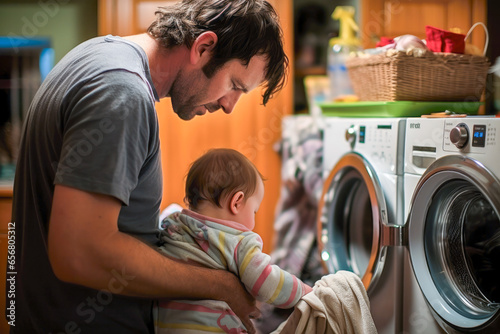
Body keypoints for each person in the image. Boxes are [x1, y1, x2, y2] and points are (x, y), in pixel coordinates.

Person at [8, 0, 288, 333]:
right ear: (204, 47)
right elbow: (80, 252)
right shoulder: (122, 93)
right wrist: (219, 285)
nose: (229, 105)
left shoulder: (98, 54)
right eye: (234, 85)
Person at [155, 148, 312, 333]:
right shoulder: (238, 241)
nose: (253, 219)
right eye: (254, 211)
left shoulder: (173, 226)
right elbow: (266, 281)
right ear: (237, 202)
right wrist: (306, 292)